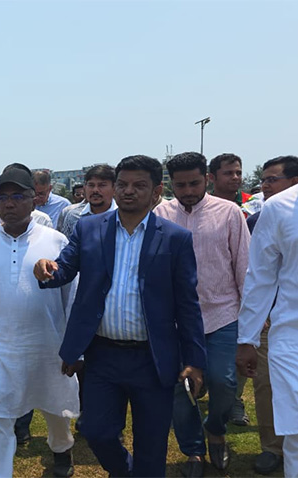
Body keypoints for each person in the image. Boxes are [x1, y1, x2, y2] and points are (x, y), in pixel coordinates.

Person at [34, 155, 206, 478]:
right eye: (123, 184)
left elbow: (188, 304)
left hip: (153, 359)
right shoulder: (89, 228)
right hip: (103, 356)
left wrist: (194, 360)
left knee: (151, 444)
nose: (128, 191)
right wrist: (46, 269)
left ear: (156, 192)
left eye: (139, 185)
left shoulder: (175, 238)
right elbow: (64, 268)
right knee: (95, 430)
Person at [0, 167, 78, 478]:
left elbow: (71, 298)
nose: (9, 204)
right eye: (3, 197)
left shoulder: (56, 241)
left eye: (17, 196)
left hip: (47, 344)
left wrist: (74, 349)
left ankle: (62, 448)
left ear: (33, 200)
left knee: (55, 406)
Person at [153, 151, 250, 477]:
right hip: (175, 320)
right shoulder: (161, 214)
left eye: (194, 183)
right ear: (170, 183)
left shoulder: (229, 212)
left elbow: (244, 265)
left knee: (224, 382)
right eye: (180, 185)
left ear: (206, 179)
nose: (188, 191)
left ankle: (216, 429)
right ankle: (193, 451)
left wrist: (251, 314)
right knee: (180, 390)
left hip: (222, 313)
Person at [235, 182, 298, 478]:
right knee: (296, 433)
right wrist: (247, 338)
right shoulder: (280, 206)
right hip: (291, 337)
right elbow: (260, 276)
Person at [57, 164, 116, 239]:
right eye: (91, 185)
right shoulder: (74, 216)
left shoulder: (122, 216)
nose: (95, 190)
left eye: (101, 185)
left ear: (114, 188)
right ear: (84, 188)